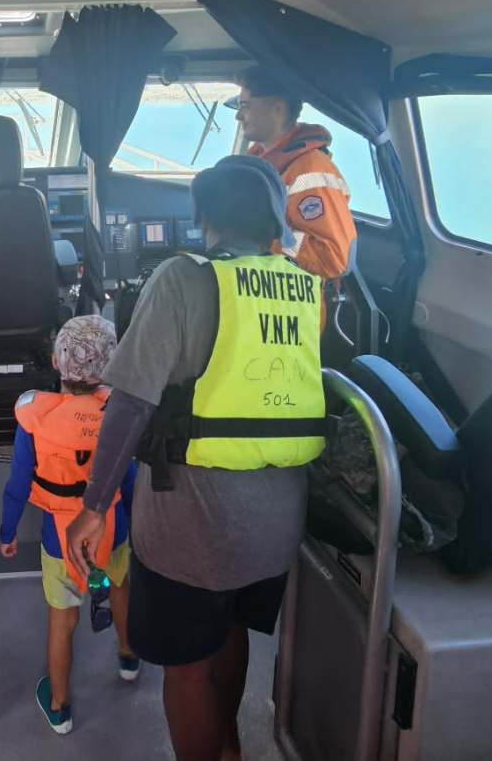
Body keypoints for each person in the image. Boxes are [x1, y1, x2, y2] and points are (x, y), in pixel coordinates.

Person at [65, 155, 329, 761]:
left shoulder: (183, 278)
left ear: (204, 218)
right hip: (277, 523)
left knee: (186, 667)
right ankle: (229, 746)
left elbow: (130, 403)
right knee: (231, 629)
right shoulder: (303, 285)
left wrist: (94, 507)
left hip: (194, 528)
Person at [0, 315, 140, 736]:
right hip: (113, 528)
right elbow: (129, 478)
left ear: (55, 362)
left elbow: (18, 483)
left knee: (62, 620)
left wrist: (7, 531)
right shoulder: (119, 415)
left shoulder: (35, 419)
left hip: (59, 539)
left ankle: (60, 706)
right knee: (119, 587)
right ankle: (129, 657)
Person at [228, 64, 357, 282]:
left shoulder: (310, 171)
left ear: (277, 109)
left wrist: (263, 237)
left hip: (292, 300)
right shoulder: (259, 163)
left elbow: (333, 258)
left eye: (245, 106)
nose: (238, 116)